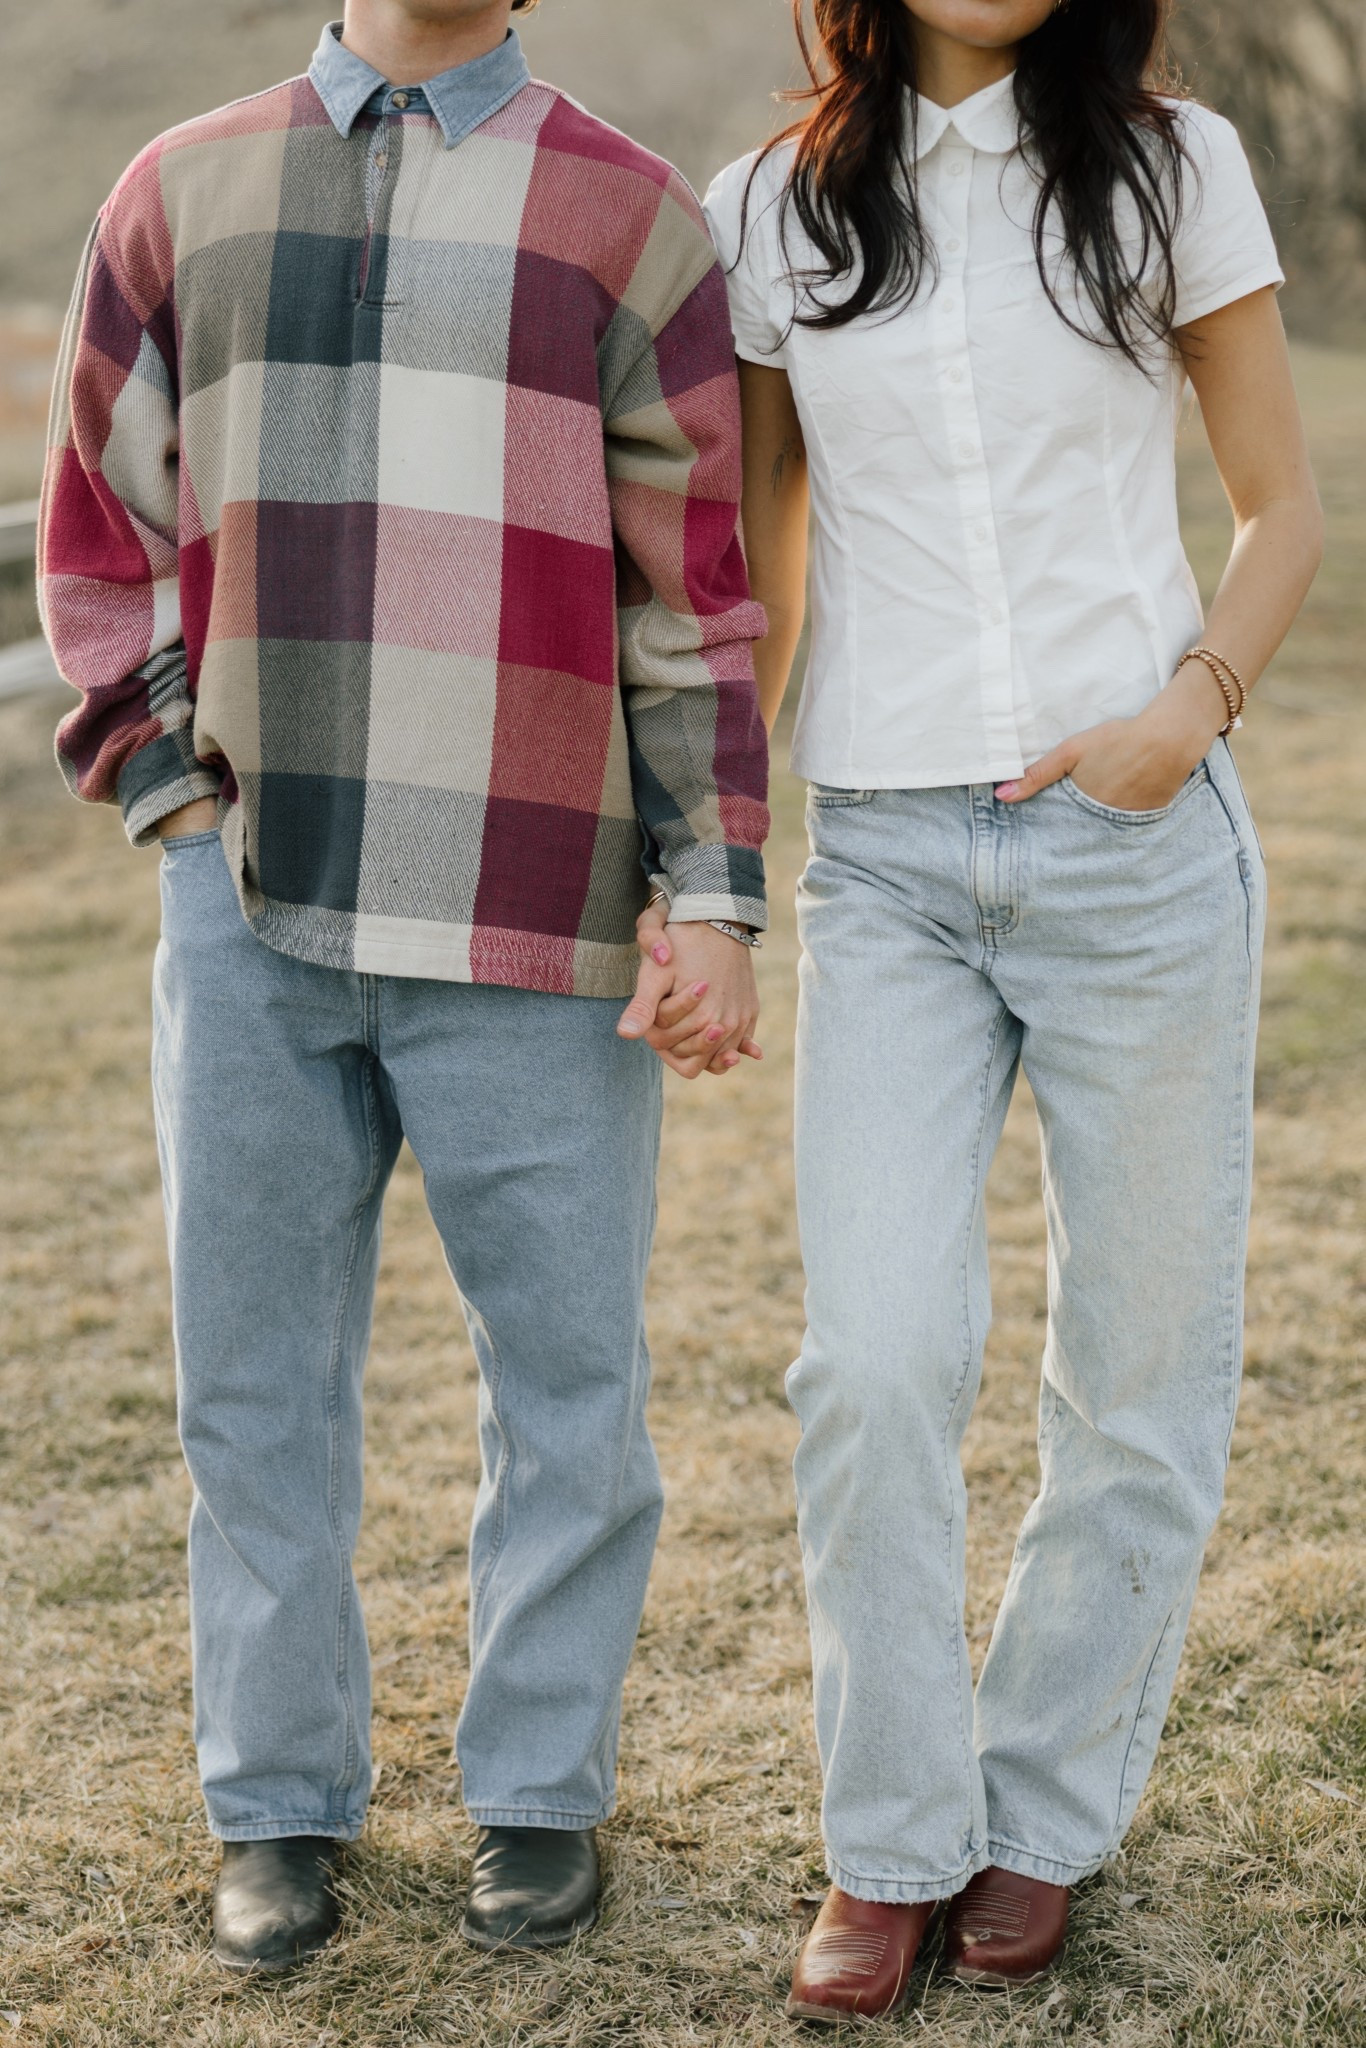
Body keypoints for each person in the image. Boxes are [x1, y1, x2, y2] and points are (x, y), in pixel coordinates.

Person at [39, 0, 770, 1975]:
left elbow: (690, 589)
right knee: (251, 1389)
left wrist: (714, 889)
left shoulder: (630, 221)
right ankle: (273, 1801)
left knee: (572, 1391)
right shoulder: (174, 189)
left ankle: (537, 1793)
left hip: (540, 913)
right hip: (256, 909)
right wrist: (171, 790)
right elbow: (99, 529)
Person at [685, 0, 1324, 2021]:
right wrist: (716, 841)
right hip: (881, 861)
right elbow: (761, 557)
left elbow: (1277, 505)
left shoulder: (1169, 165)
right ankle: (886, 1835)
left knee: (1133, 1370)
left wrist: (1179, 712)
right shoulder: (771, 210)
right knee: (870, 1361)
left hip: (1136, 851)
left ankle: (1036, 1803)